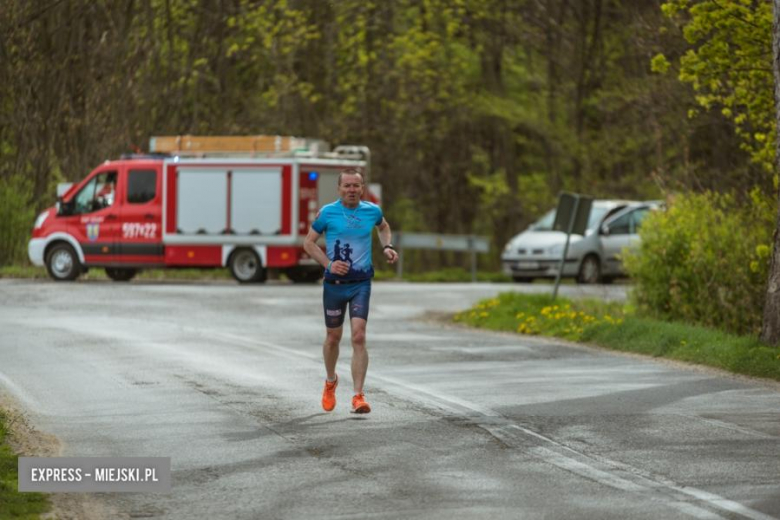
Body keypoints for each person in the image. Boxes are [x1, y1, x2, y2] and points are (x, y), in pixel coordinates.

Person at [303, 168, 398, 414]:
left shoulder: (372, 211)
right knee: (333, 338)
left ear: (362, 188)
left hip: (361, 283)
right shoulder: (328, 212)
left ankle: (358, 396)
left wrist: (387, 246)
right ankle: (330, 380)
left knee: (358, 336)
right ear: (339, 189)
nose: (352, 190)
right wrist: (329, 264)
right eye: (347, 186)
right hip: (334, 285)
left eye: (356, 185)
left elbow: (384, 226)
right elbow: (308, 243)